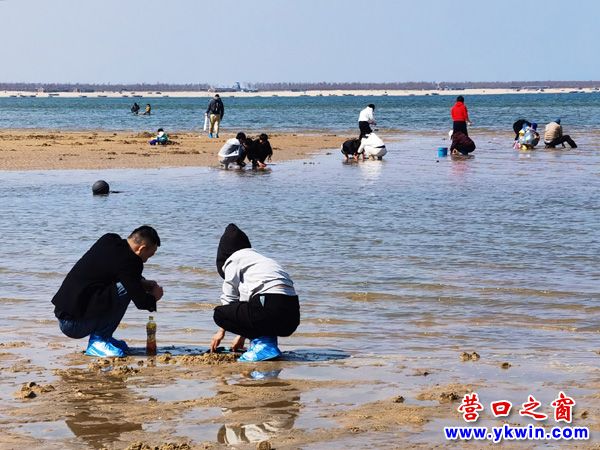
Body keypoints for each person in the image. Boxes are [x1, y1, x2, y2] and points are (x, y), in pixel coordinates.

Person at [51, 226, 164, 357]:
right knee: (125, 289)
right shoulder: (131, 262)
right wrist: (154, 297)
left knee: (124, 287)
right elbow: (141, 302)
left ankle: (103, 338)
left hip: (64, 317)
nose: (146, 260)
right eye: (149, 255)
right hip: (75, 326)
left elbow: (116, 270)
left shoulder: (109, 239)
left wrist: (141, 282)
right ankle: (99, 341)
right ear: (141, 249)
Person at [210, 223, 300, 362]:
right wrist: (242, 336)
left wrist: (220, 332)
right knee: (256, 308)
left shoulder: (234, 259)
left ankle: (265, 347)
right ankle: (264, 345)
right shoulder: (262, 260)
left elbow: (229, 299)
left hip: (269, 308)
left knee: (220, 314)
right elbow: (248, 306)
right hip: (291, 319)